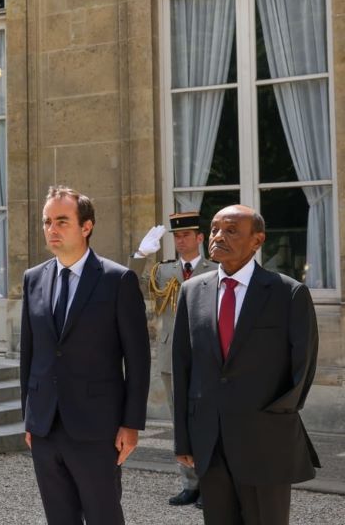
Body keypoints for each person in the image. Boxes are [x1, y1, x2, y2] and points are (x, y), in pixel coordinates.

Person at [173, 205, 320, 525]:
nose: (218, 237)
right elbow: (183, 369)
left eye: (230, 231)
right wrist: (184, 439)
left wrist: (269, 421)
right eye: (213, 230)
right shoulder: (191, 292)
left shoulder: (288, 293)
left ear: (257, 240)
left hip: (265, 442)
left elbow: (302, 370)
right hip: (209, 443)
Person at [20, 185, 150, 525]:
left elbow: (137, 359)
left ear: (86, 226)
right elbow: (30, 354)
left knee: (103, 515)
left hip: (97, 426)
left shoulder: (117, 280)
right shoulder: (33, 279)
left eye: (62, 221)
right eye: (47, 222)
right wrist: (29, 416)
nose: (52, 229)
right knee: (58, 517)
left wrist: (131, 423)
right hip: (46, 425)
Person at [129, 212, 216, 507]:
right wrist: (140, 254)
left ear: (200, 238)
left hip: (207, 357)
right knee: (180, 422)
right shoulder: (163, 272)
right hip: (171, 356)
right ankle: (190, 484)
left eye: (186, 235)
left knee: (209, 422)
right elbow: (129, 286)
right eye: (177, 236)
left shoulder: (214, 269)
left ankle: (212, 485)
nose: (180, 241)